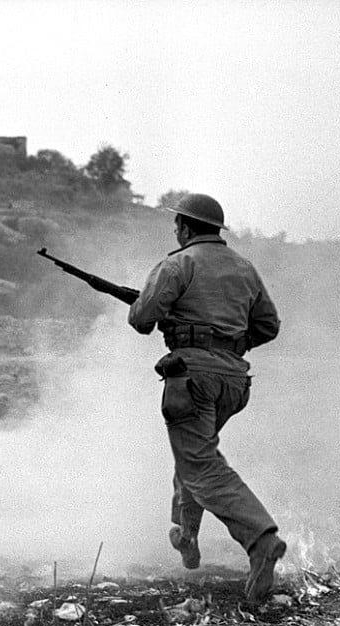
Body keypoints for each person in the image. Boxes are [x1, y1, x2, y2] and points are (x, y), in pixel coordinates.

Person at [127, 193, 285, 605]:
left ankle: (260, 538)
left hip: (192, 378)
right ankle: (186, 533)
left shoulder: (179, 264)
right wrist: (229, 344)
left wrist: (167, 317)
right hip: (234, 381)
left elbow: (142, 319)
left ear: (183, 227)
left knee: (200, 464)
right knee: (194, 455)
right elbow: (267, 326)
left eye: (176, 224)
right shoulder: (245, 269)